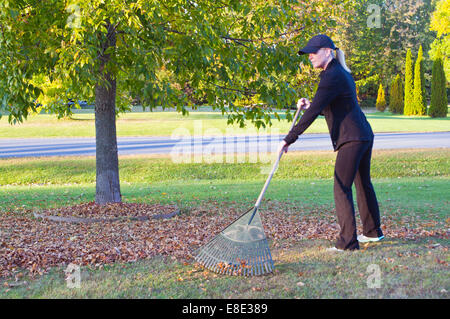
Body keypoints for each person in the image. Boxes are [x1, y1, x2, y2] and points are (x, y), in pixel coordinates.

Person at [278, 34, 384, 251]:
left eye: (313, 52)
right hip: (362, 134)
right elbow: (328, 105)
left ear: (327, 51)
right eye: (308, 54)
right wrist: (311, 104)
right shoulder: (338, 72)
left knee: (341, 186)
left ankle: (347, 242)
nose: (310, 57)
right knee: (362, 183)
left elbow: (316, 111)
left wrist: (288, 139)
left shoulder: (331, 75)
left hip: (352, 138)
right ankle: (372, 232)